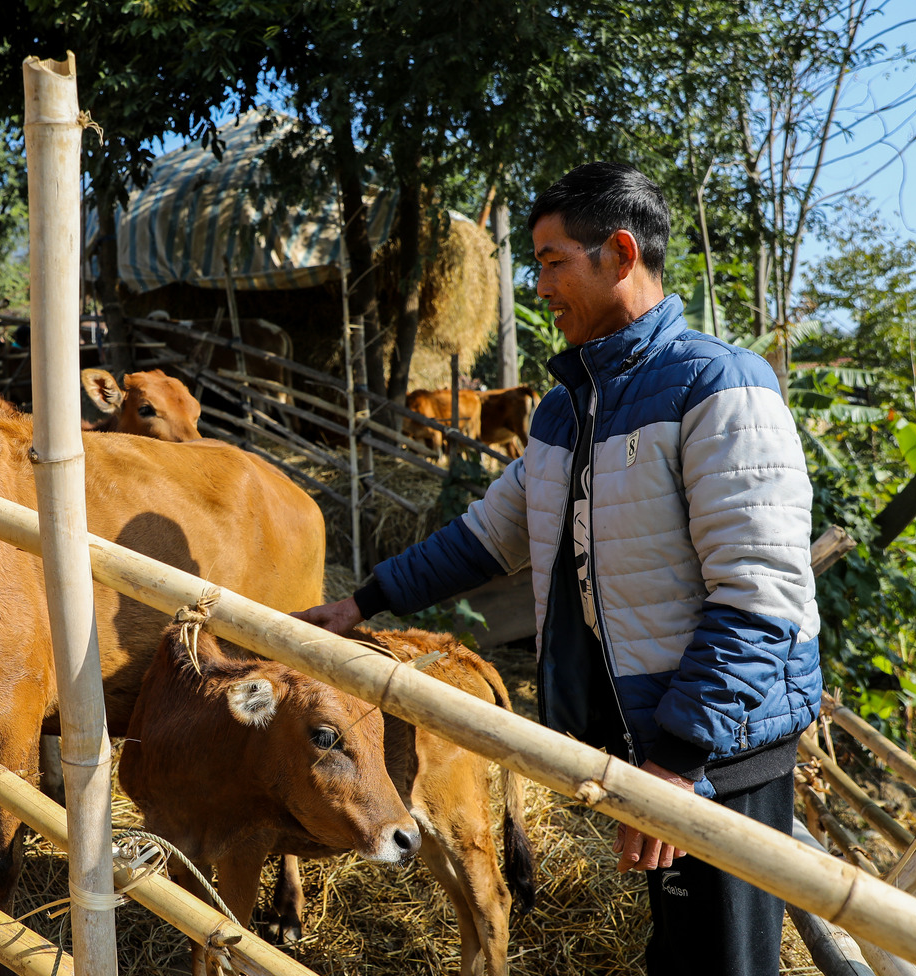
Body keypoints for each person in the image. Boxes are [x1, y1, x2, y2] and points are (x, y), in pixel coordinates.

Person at [295, 161, 821, 976]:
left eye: (549, 262)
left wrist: (678, 762)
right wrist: (360, 605)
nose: (537, 288)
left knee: (726, 961)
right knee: (680, 953)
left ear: (617, 253)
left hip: (717, 747)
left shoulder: (718, 385)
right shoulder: (568, 407)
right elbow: (487, 536)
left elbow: (759, 596)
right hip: (644, 745)